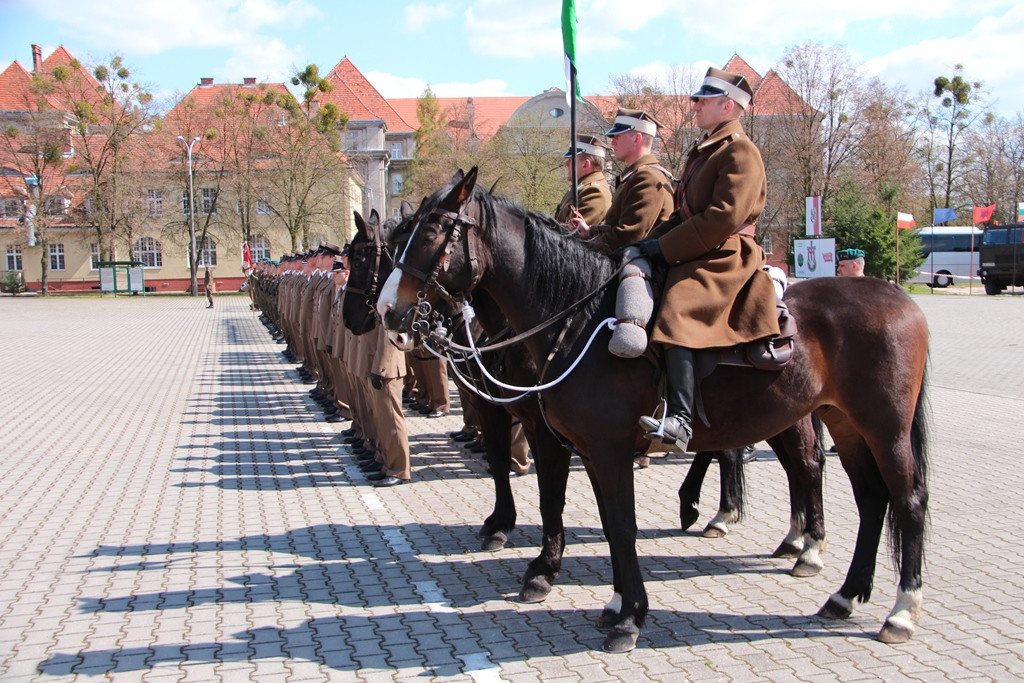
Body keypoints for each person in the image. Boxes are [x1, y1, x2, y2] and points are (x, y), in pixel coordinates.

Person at [636, 67, 781, 450]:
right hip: (701, 247)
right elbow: (682, 215)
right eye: (697, 99)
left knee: (677, 307)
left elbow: (723, 217)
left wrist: (663, 249)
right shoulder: (706, 149)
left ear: (727, 105)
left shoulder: (740, 151)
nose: (694, 105)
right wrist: (644, 245)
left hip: (727, 253)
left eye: (702, 100)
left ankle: (682, 420)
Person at [568, 109, 674, 255]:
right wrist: (589, 232)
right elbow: (617, 228)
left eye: (617, 136)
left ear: (637, 138)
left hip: (641, 264)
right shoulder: (636, 175)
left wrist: (590, 244)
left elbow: (629, 236)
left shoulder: (647, 177)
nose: (612, 141)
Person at [554, 135, 613, 227]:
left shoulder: (595, 192)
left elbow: (573, 231)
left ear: (586, 164)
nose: (566, 164)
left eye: (570, 160)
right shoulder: (580, 188)